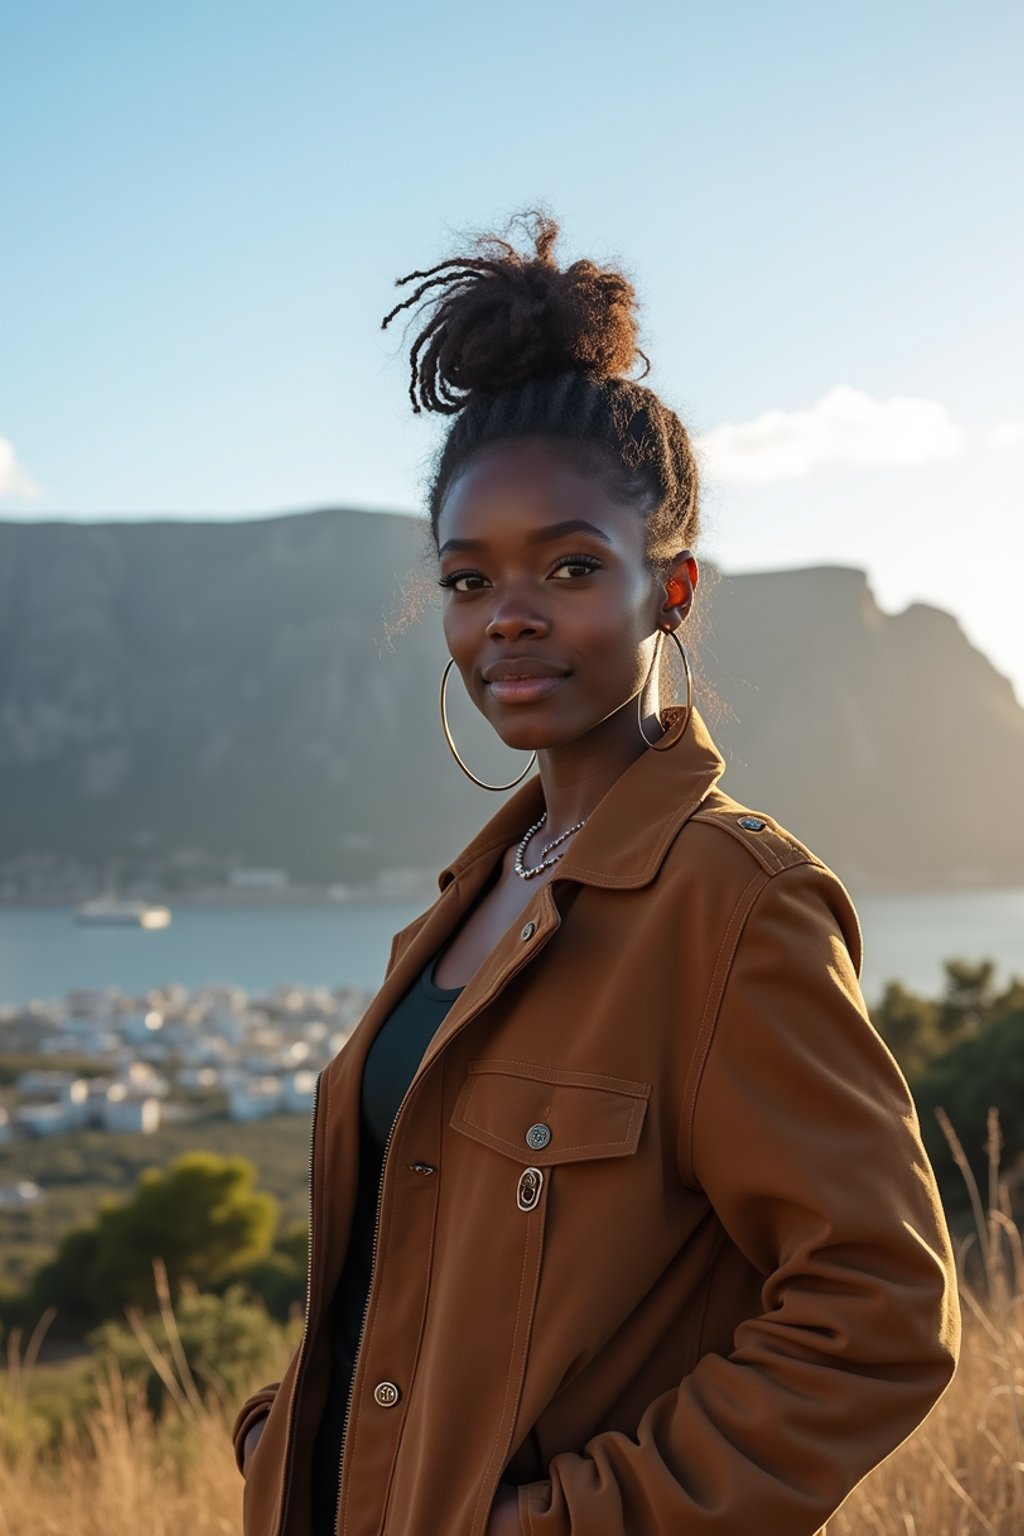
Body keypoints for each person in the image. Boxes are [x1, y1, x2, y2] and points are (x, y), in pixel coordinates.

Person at [231, 210, 960, 1536]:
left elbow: (882, 1307)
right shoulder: (465, 904)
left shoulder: (730, 904)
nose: (507, 614)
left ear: (668, 591)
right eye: (469, 577)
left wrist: (586, 1521)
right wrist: (288, 1440)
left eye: (570, 567)